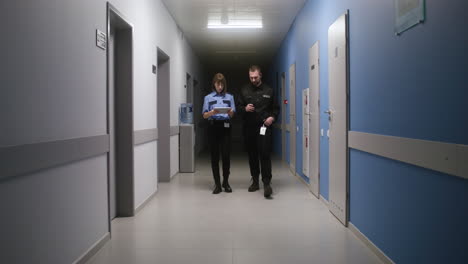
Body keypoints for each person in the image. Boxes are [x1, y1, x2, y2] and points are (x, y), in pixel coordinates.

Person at [236, 65, 279, 198]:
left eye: (255, 77)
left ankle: (267, 183)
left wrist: (272, 117)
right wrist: (244, 108)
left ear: (260, 75)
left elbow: (275, 109)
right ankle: (255, 181)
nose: (253, 80)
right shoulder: (244, 90)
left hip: (264, 128)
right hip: (249, 128)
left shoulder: (269, 90)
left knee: (265, 154)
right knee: (252, 156)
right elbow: (238, 107)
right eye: (251, 77)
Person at [202, 73, 236, 194]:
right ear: (214, 84)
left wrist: (230, 111)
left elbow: (232, 115)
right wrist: (212, 112)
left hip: (226, 127)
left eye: (222, 84)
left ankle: (226, 182)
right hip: (213, 127)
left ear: (224, 84)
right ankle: (217, 185)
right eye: (218, 84)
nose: (220, 87)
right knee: (214, 157)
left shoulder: (230, 97)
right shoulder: (208, 98)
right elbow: (204, 115)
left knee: (226, 156)